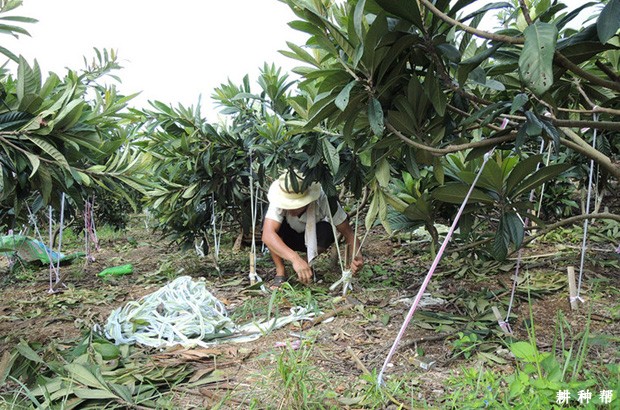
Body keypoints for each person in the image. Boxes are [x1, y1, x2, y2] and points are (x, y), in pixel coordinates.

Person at [262, 171, 364, 287]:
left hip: (311, 238)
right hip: (286, 237)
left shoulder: (325, 199)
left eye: (295, 205)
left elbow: (348, 233)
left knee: (327, 231)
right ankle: (280, 271)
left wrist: (357, 254)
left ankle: (306, 263)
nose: (290, 209)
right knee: (270, 226)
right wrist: (295, 259)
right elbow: (268, 235)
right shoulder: (279, 197)